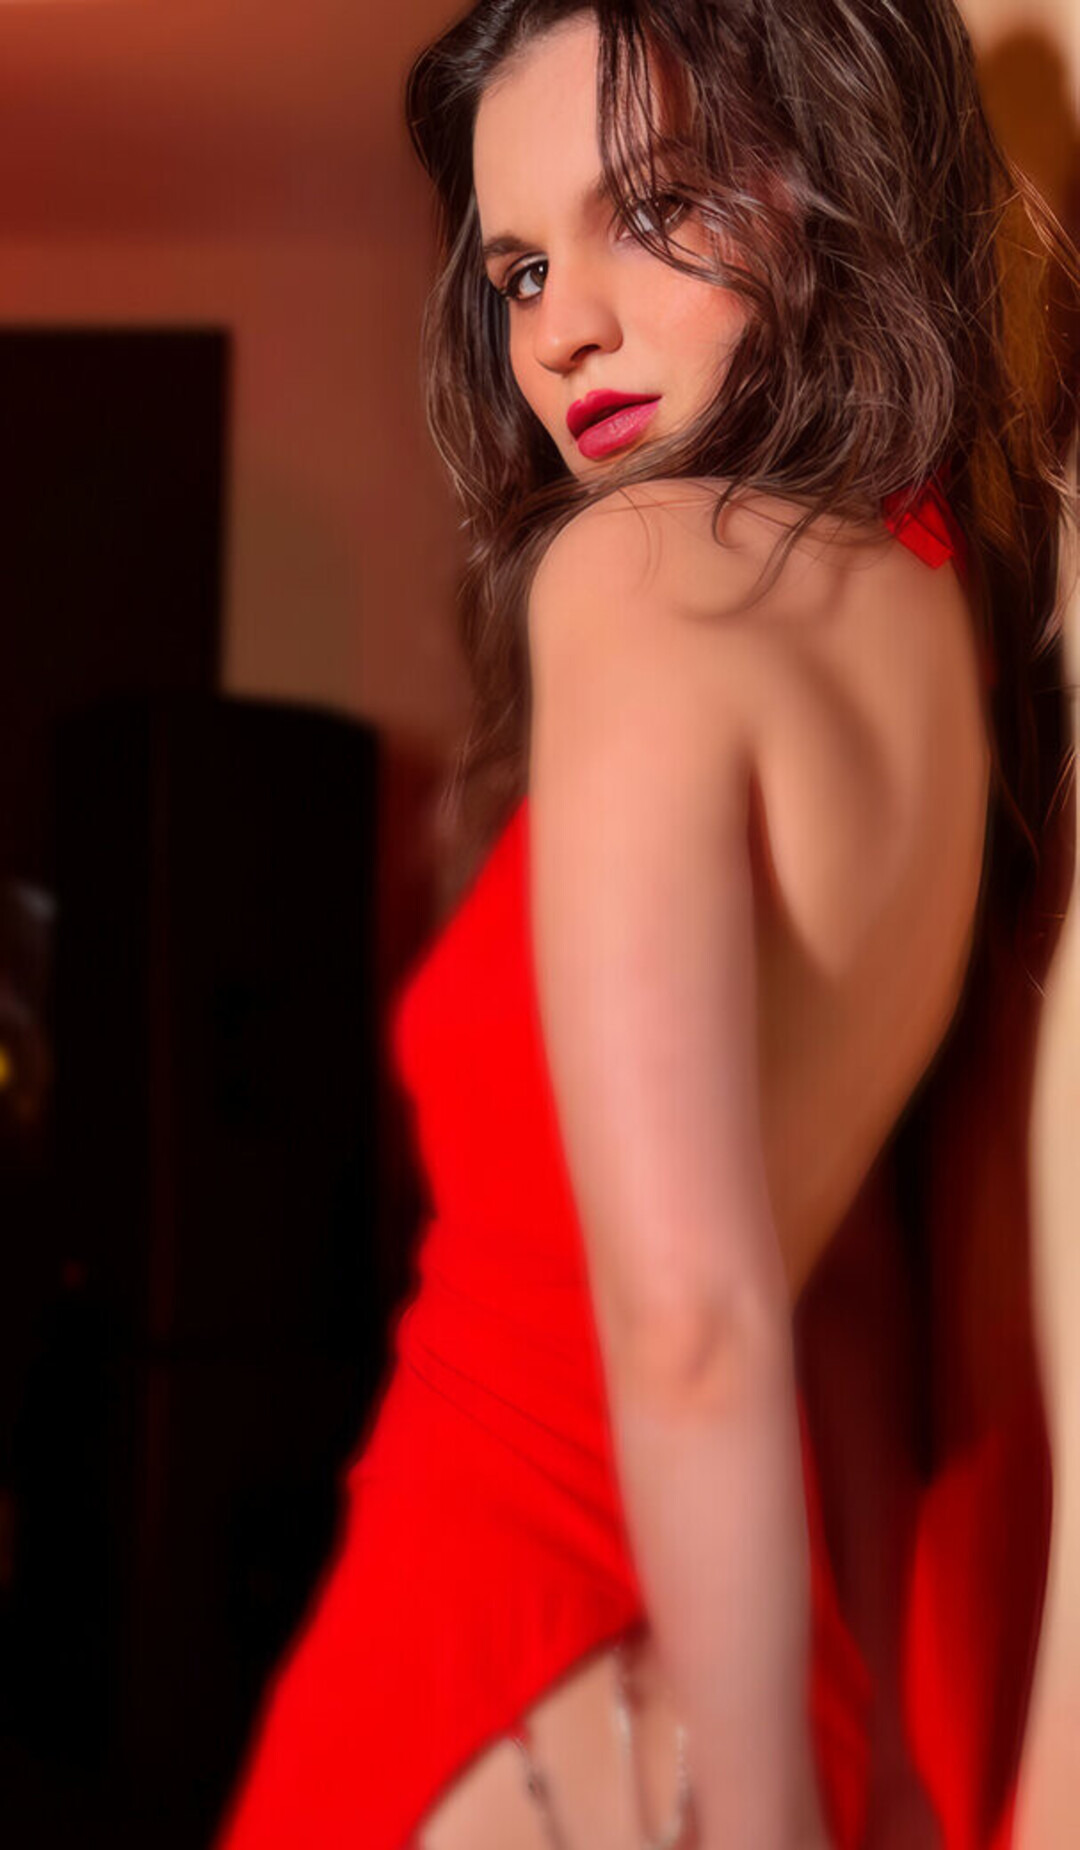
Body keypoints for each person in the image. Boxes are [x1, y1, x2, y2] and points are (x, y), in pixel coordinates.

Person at [214, 3, 1077, 1847]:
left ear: (829, 176)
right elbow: (836, 1290)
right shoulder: (939, 638)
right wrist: (875, 1771)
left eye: (656, 208)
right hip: (750, 1674)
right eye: (522, 267)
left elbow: (693, 1319)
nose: (560, 331)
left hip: (507, 1650)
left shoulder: (636, 571)